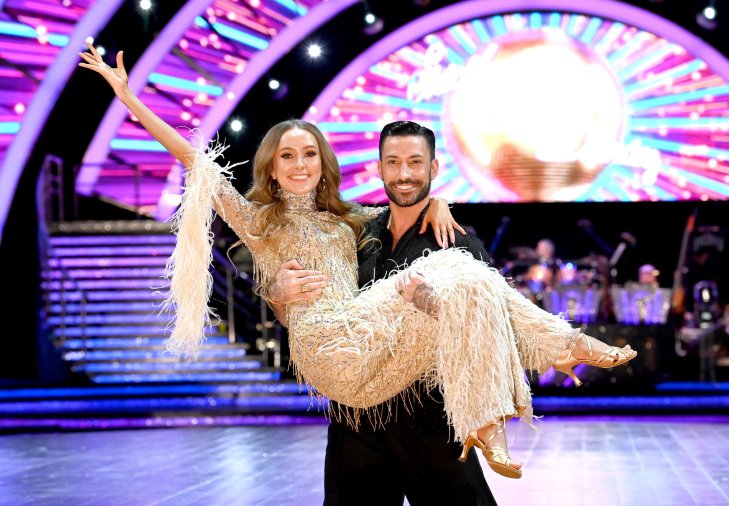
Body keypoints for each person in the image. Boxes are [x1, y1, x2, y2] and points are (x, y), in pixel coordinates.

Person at [79, 44, 636, 494]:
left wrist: (438, 204)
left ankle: (531, 376)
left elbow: (408, 203)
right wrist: (127, 95)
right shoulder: (261, 222)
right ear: (271, 168)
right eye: (287, 156)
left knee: (464, 275)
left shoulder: (351, 221)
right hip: (333, 355)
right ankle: (528, 381)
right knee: (460, 273)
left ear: (324, 163)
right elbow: (193, 160)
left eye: (308, 154)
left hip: (394, 372)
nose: (299, 164)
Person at [266, 121, 637, 501]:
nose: (405, 174)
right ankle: (568, 343)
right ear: (379, 169)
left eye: (415, 162)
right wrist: (278, 294)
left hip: (430, 420)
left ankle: (564, 344)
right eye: (393, 163)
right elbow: (306, 319)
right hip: (357, 424)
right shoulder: (354, 234)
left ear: (434, 169)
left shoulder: (458, 242)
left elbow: (494, 325)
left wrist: (434, 302)